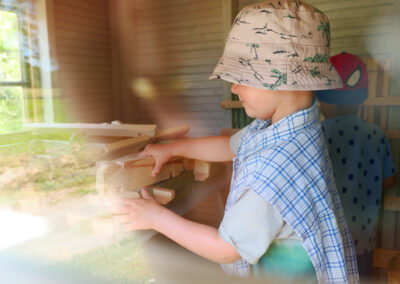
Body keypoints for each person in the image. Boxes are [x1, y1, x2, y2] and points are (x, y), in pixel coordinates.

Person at [115, 1, 359, 283]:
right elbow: (230, 146)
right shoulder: (297, 126)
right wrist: (172, 149)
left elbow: (226, 248)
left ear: (280, 80)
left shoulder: (273, 170)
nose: (233, 86)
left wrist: (156, 218)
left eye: (242, 77)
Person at [316, 52, 397, 281]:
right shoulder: (375, 133)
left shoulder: (317, 135)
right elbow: (390, 180)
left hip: (326, 241)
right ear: (362, 98)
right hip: (364, 240)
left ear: (321, 98)